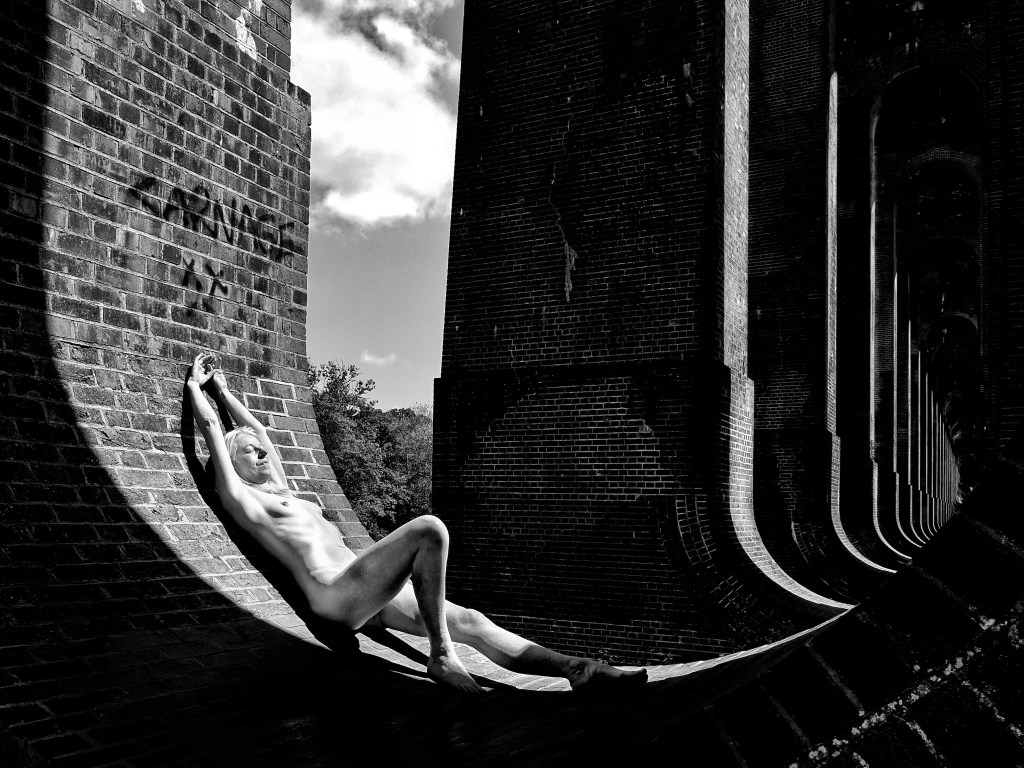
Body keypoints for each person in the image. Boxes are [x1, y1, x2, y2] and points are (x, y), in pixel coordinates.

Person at [187, 353, 647, 695]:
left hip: (368, 590)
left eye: (261, 449)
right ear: (231, 460)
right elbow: (211, 431)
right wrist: (196, 388)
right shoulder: (244, 500)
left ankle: (577, 669)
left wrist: (226, 391)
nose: (263, 453)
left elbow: (264, 433)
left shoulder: (284, 492)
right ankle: (442, 657)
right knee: (429, 529)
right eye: (248, 451)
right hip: (336, 595)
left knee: (471, 618)